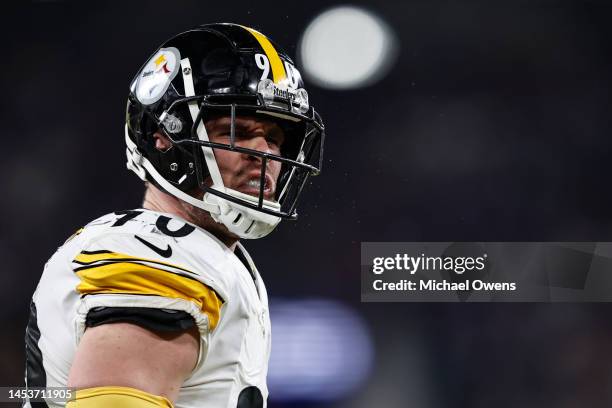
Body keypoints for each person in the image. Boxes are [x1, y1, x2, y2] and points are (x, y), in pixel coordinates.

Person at [23, 23, 325, 408]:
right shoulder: (160, 252)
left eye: (276, 138)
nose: (263, 153)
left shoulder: (206, 254)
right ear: (164, 137)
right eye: (238, 130)